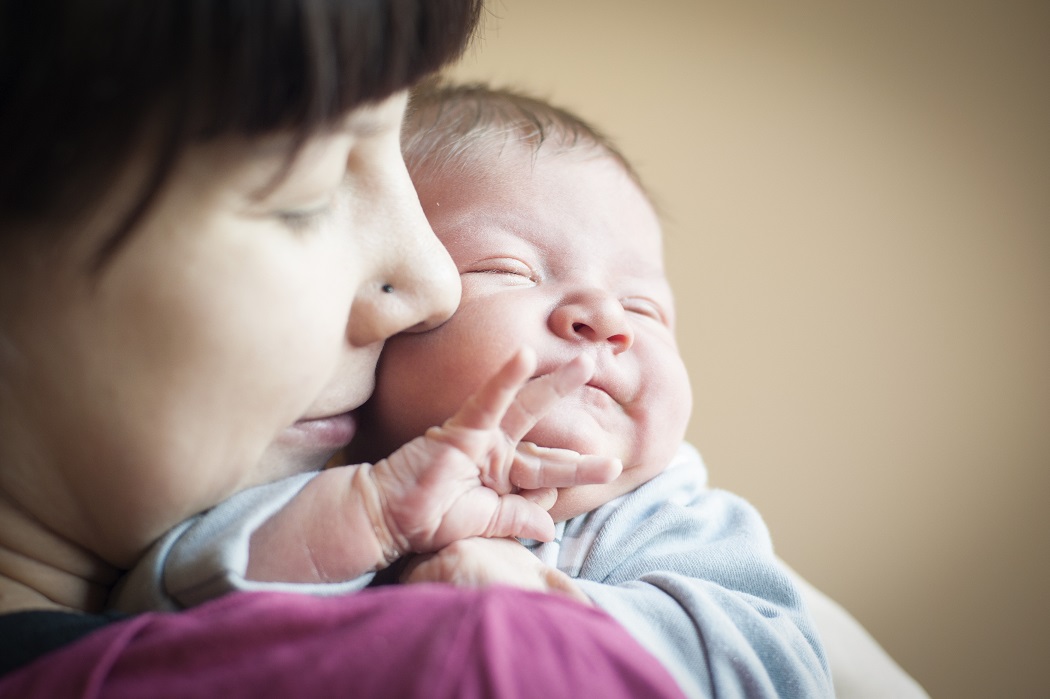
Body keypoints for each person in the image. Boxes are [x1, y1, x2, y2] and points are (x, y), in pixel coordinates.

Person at [0, 4, 688, 698]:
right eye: (309, 190)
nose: (434, 282)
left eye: (646, 307)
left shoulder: (666, 511)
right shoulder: (479, 656)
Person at [111, 82, 833, 698]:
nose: (608, 318)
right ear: (390, 306)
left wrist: (558, 608)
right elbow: (154, 607)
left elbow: (786, 665)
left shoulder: (665, 516)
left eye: (645, 309)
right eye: (511, 268)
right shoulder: (328, 476)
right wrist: (369, 520)